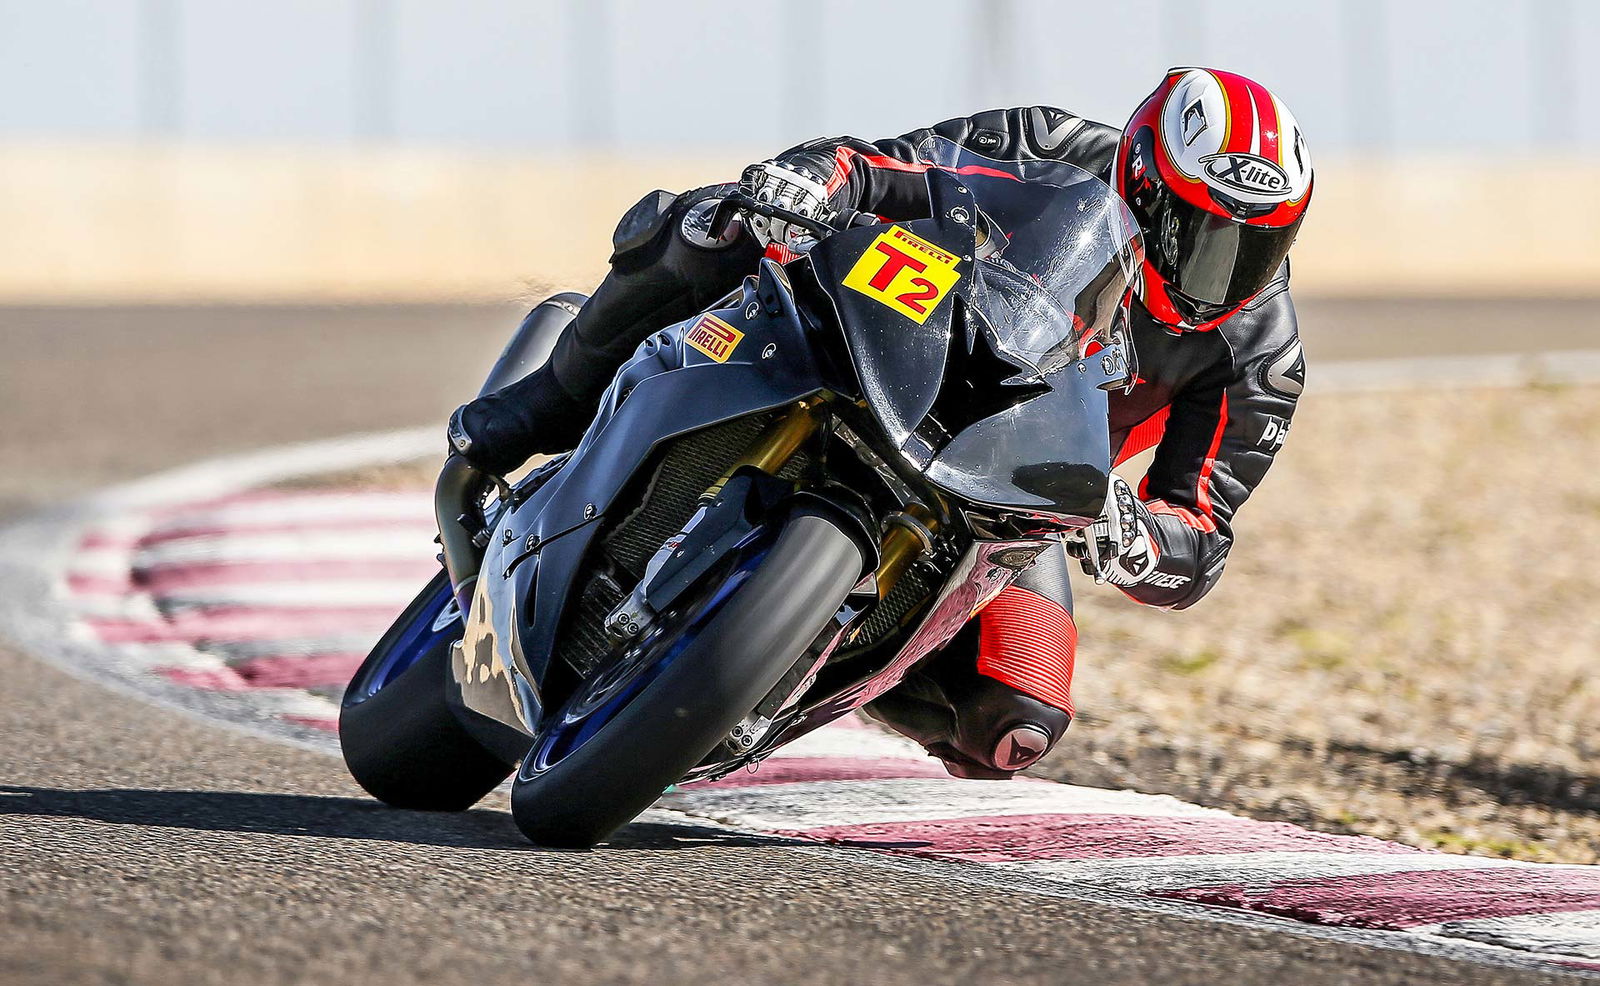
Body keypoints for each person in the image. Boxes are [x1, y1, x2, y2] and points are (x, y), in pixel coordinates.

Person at [448, 67, 1313, 780]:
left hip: (1010, 483)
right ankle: (542, 404)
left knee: (1016, 721)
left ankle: (782, 671)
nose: (1221, 270)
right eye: (1199, 231)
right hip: (893, 333)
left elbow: (1202, 528)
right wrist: (817, 179)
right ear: (1142, 176)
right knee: (715, 222)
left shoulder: (1260, 354)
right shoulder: (1048, 145)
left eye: (1256, 246)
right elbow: (886, 167)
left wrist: (1143, 542)